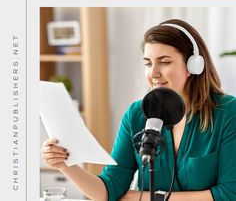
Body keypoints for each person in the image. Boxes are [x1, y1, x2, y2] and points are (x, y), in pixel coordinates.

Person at [41, 18, 236, 201]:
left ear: (193, 66)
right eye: (148, 63)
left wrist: (144, 197)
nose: (153, 73)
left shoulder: (228, 112)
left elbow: (229, 193)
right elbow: (110, 189)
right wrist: (65, 165)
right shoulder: (136, 114)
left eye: (165, 62)